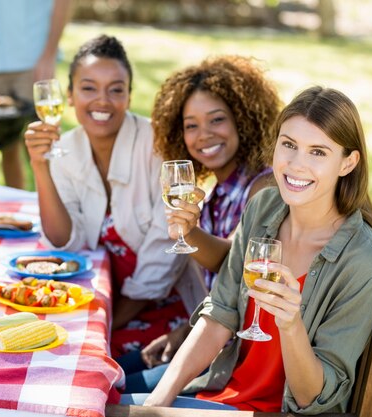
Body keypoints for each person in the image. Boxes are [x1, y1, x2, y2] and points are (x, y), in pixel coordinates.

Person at [124, 86, 372, 413]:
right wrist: (157, 405)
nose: (296, 165)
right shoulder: (264, 208)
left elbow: (314, 398)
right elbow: (219, 315)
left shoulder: (363, 262)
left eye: (318, 152)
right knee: (101, 403)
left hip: (274, 411)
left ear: (348, 162)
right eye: (289, 145)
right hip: (222, 393)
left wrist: (290, 325)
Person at [24, 35, 206, 358]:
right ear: (69, 96)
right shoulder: (65, 150)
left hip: (162, 306)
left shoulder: (157, 145)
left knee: (80, 359)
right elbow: (65, 242)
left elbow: (163, 259)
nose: (102, 101)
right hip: (104, 301)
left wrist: (101, 325)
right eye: (89, 88)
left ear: (129, 96)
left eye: (116, 89)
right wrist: (40, 166)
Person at [117, 55, 282, 391]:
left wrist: (189, 232)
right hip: (207, 338)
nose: (203, 135)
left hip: (233, 362)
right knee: (106, 370)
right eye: (191, 125)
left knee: (111, 391)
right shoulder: (215, 192)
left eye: (217, 120)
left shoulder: (263, 187)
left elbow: (232, 262)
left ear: (244, 120)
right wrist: (184, 333)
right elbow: (221, 295)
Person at [0, 0, 72, 189]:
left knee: (42, 144)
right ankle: (18, 208)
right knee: (6, 146)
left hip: (31, 62)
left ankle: (57, 209)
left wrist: (49, 54)